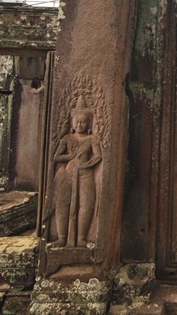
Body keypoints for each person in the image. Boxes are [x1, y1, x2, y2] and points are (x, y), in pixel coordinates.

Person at [50, 96, 102, 247]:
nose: (79, 124)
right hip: (67, 174)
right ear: (72, 122)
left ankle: (81, 238)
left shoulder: (92, 139)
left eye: (83, 122)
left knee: (86, 205)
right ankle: (62, 237)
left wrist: (87, 164)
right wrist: (70, 156)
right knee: (62, 204)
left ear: (88, 123)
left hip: (85, 174)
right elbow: (56, 157)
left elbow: (99, 155)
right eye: (77, 121)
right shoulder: (67, 138)